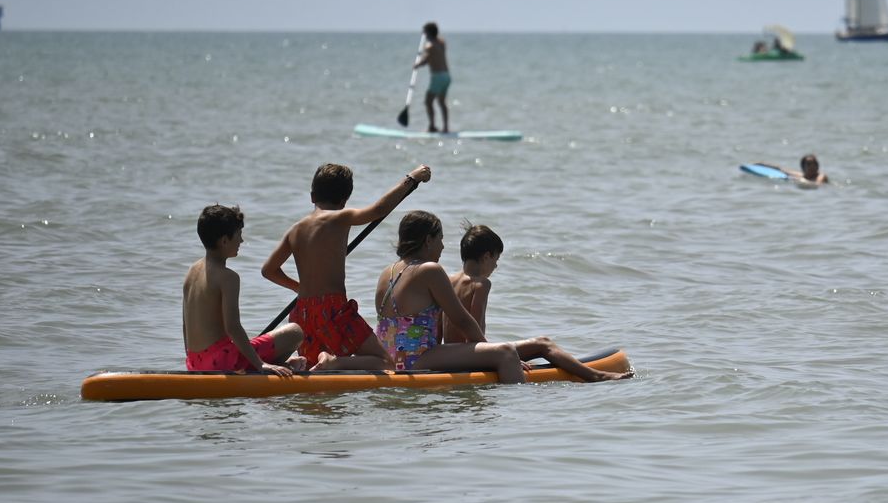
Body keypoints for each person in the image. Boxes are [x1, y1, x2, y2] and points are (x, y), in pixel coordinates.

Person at [261, 162, 431, 371]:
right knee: (385, 362)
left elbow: (268, 270)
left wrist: (299, 288)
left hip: (302, 311)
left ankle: (312, 368)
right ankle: (336, 361)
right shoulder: (341, 217)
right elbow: (379, 209)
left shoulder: (295, 230)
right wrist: (411, 179)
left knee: (316, 370)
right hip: (333, 308)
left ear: (312, 196)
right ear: (344, 200)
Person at [443, 223, 633, 382]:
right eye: (496, 259)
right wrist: (501, 357)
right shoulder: (481, 284)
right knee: (543, 344)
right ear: (487, 257)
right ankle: (595, 375)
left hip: (450, 354)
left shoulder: (449, 281)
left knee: (537, 345)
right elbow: (475, 333)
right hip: (470, 355)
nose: (496, 266)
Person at [372, 211, 530, 381]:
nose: (443, 246)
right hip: (415, 359)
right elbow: (462, 320)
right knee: (505, 352)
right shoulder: (430, 269)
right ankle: (517, 404)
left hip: (387, 358)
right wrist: (490, 354)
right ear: (428, 241)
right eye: (440, 239)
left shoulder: (387, 272)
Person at [183, 204, 307, 375]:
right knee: (295, 332)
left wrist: (192, 361)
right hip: (221, 363)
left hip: (194, 362)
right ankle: (264, 368)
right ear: (224, 241)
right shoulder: (228, 278)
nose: (241, 241)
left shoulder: (191, 271)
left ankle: (277, 365)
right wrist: (260, 364)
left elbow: (185, 324)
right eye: (238, 235)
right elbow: (232, 327)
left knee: (246, 343)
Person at [412, 21, 451, 133]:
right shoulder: (442, 43)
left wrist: (417, 64)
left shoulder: (429, 46)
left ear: (428, 33)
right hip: (446, 76)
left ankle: (432, 126)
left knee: (428, 101)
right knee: (442, 102)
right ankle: (446, 128)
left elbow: (426, 60)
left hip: (438, 77)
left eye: (424, 32)